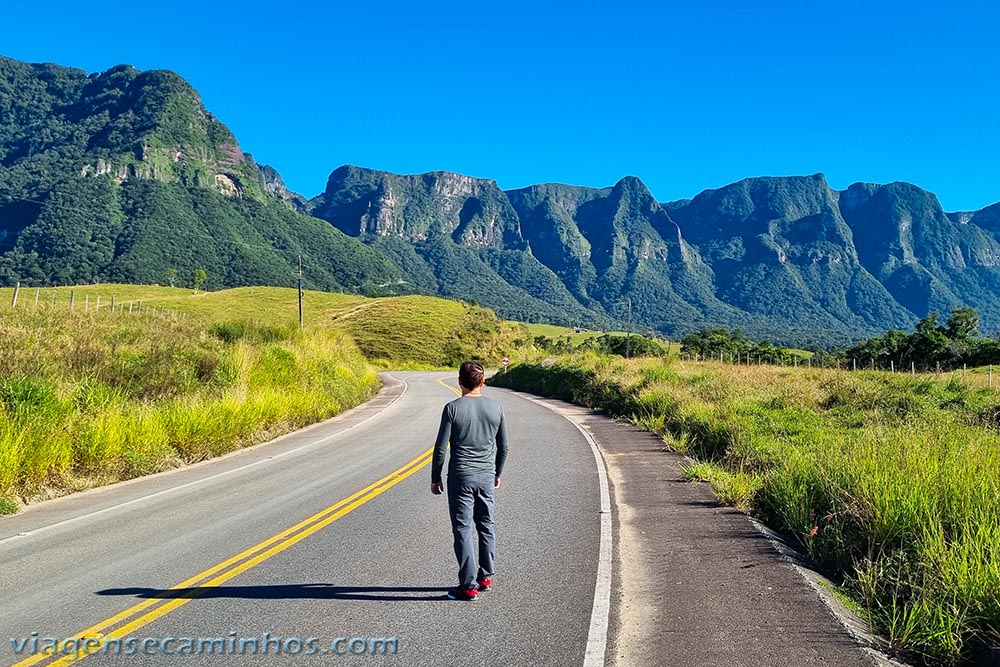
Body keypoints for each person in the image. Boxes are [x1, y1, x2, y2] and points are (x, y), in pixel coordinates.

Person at [432, 361, 509, 601]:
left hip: (460, 477)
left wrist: (435, 477)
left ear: (460, 381)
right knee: (486, 525)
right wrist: (497, 473)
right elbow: (504, 447)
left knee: (463, 529)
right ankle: (485, 577)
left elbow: (441, 448)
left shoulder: (452, 408)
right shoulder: (495, 407)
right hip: (486, 476)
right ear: (483, 382)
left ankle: (468, 585)